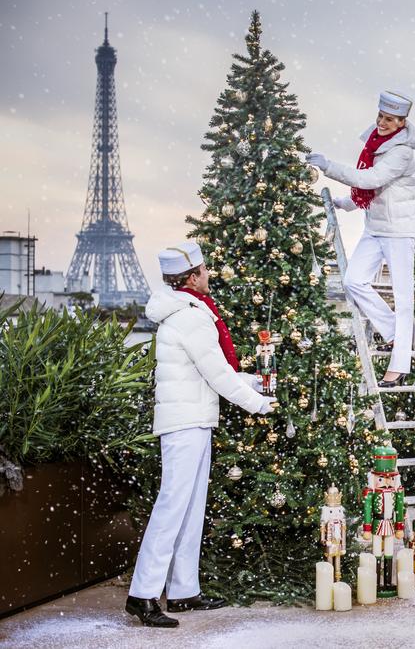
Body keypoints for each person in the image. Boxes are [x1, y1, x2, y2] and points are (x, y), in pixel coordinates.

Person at [125, 241, 276, 628]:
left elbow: (211, 372)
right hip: (186, 422)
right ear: (192, 278)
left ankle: (182, 589)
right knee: (174, 506)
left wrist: (254, 384)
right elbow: (217, 375)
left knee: (191, 507)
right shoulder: (192, 317)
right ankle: (142, 595)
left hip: (194, 418)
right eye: (205, 271)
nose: (210, 275)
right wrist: (256, 403)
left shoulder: (186, 312)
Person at [306, 90, 415, 388]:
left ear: (401, 122)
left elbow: (371, 180)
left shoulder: (402, 152)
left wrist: (328, 166)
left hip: (398, 232)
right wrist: (348, 203)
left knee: (403, 297)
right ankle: (395, 334)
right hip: (375, 227)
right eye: (381, 116)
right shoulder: (374, 143)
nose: (382, 122)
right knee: (353, 280)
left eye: (390, 119)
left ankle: (399, 365)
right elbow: (371, 190)